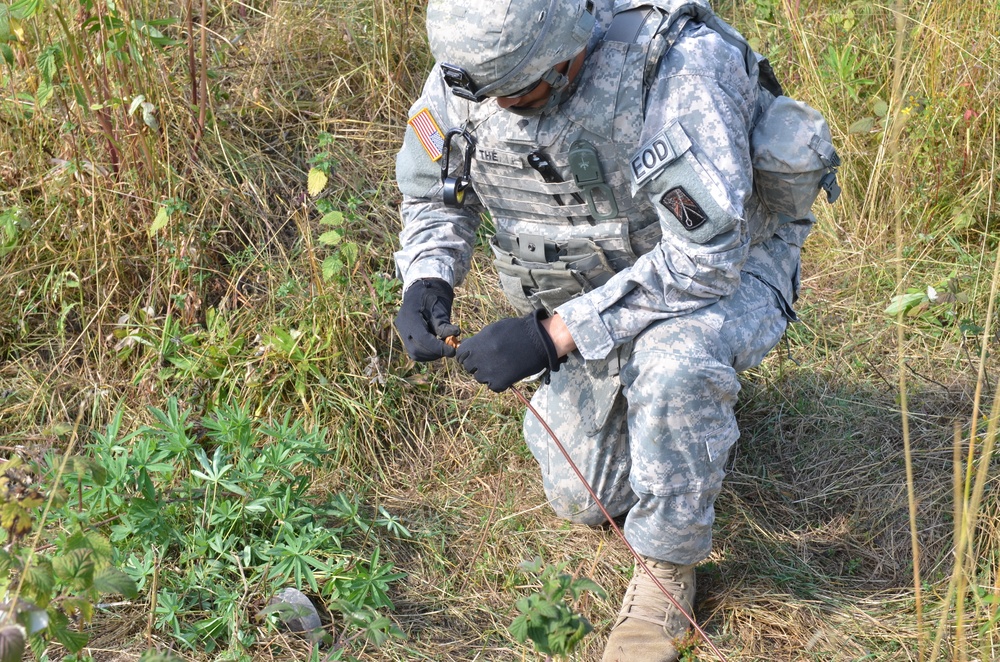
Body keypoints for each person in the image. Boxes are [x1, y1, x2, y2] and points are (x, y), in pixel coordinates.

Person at [392, 0, 837, 659]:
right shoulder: (476, 70)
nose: (505, 106)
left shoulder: (679, 69)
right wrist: (427, 278)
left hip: (730, 266)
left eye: (523, 91)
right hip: (603, 281)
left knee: (676, 363)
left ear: (570, 47)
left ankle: (666, 575)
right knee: (585, 496)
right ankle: (676, 432)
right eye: (488, 93)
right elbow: (435, 193)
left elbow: (703, 260)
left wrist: (552, 336)